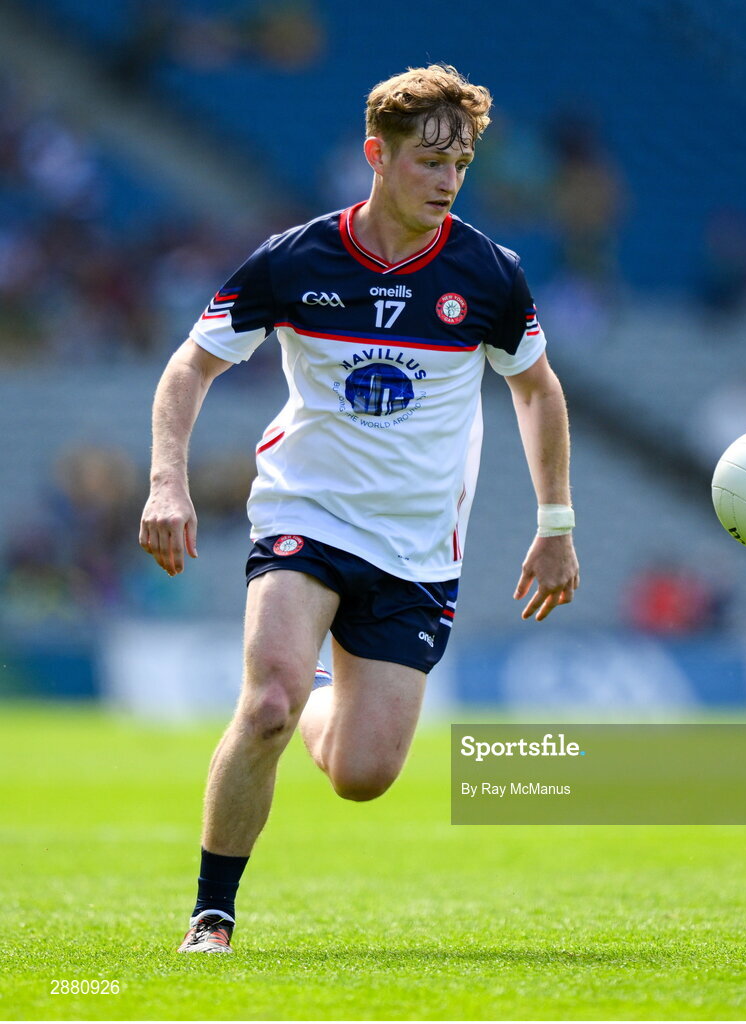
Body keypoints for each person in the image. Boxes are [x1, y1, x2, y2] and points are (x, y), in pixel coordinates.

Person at [138, 64, 580, 954]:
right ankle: (211, 919)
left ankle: (315, 693)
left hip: (417, 550)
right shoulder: (296, 259)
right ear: (376, 156)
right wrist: (164, 480)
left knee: (362, 776)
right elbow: (191, 363)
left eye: (461, 165)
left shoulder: (488, 275)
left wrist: (556, 524)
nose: (449, 182)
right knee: (263, 702)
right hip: (306, 515)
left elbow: (536, 390)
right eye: (430, 162)